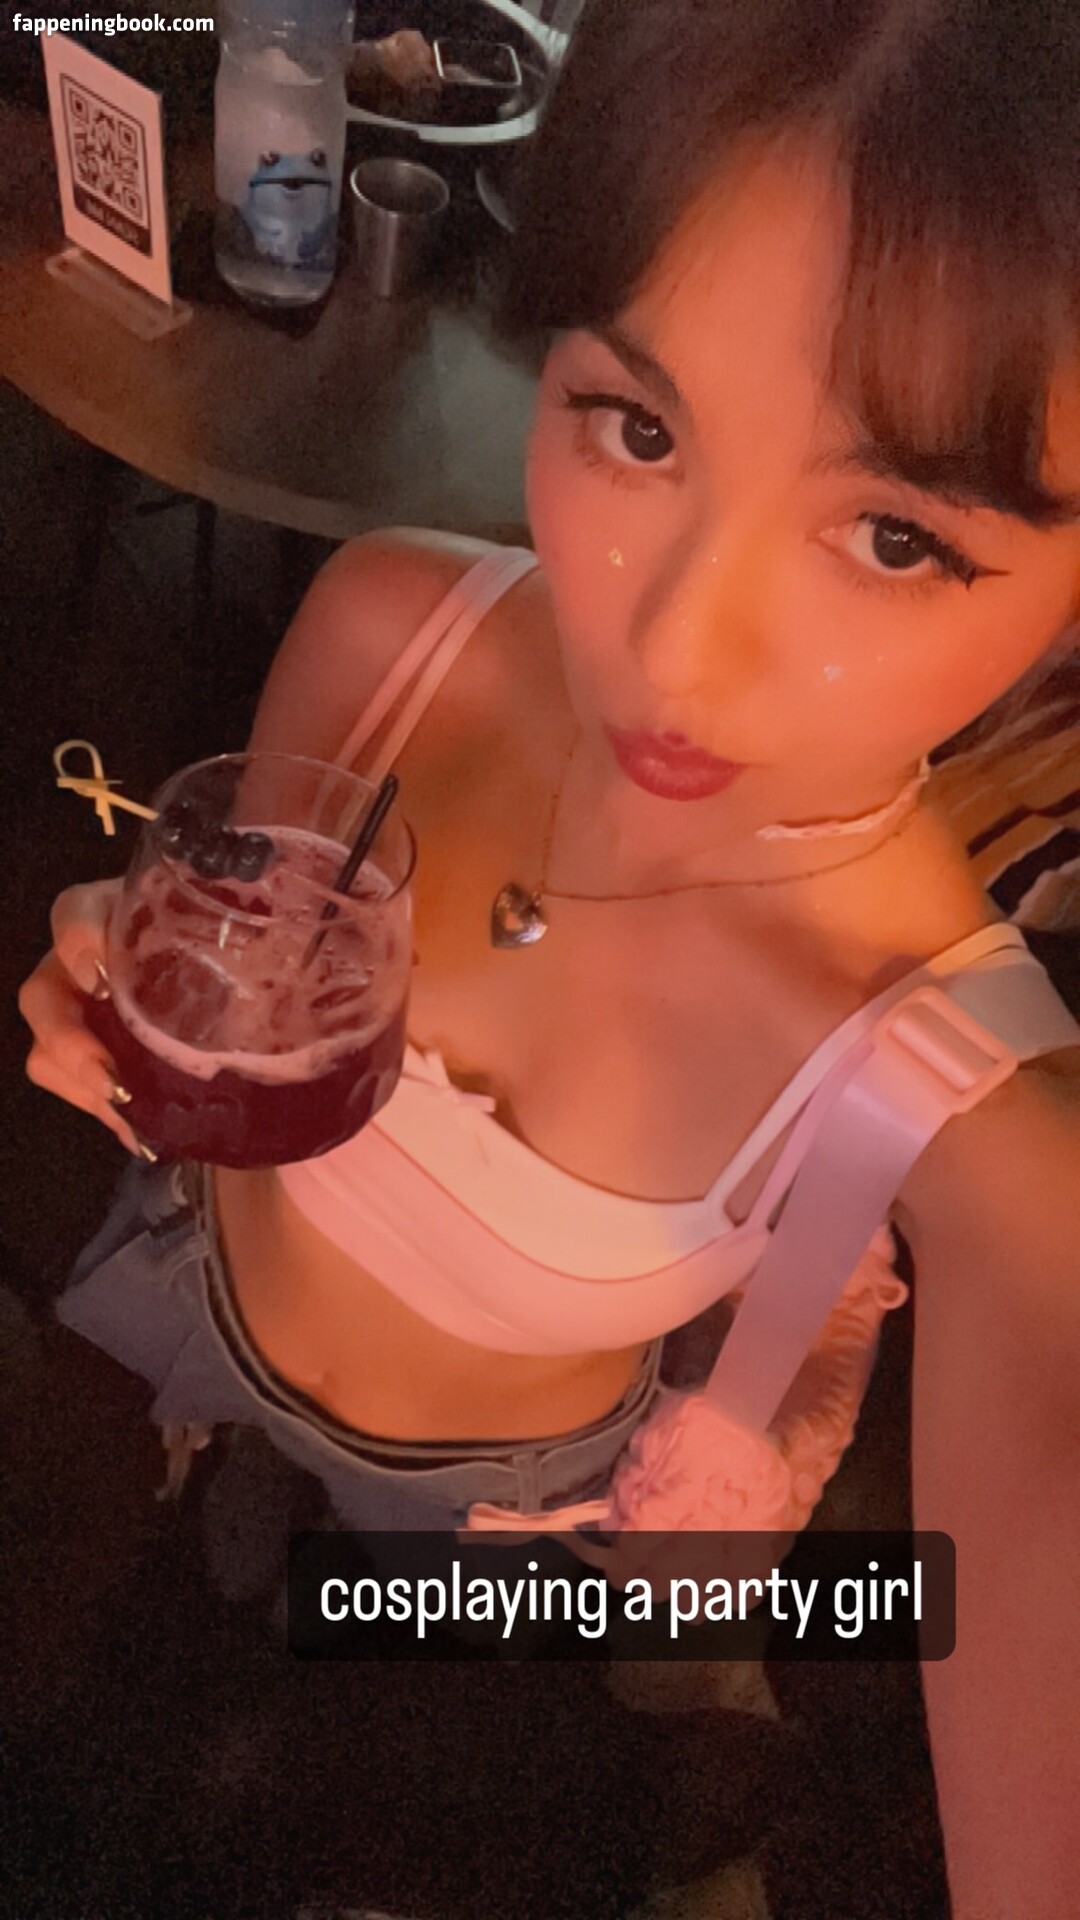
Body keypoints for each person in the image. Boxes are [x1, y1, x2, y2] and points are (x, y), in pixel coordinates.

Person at [19, 2, 1080, 1914]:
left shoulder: (963, 1095)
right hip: (196, 1285)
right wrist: (135, 975)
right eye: (639, 427)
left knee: (373, 1706)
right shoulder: (387, 630)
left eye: (894, 536)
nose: (670, 653)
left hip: (474, 1505)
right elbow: (252, 940)